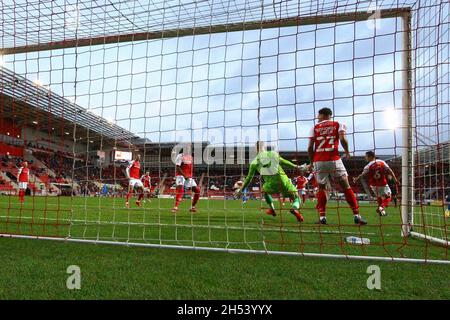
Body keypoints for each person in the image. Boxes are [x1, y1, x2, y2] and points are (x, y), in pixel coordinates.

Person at [307, 107, 366, 225]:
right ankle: (357, 216)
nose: (317, 117)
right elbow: (343, 139)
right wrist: (347, 151)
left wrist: (311, 162)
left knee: (322, 188)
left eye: (318, 115)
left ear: (324, 115)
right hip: (334, 159)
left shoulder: (314, 127)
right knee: (346, 186)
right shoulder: (338, 124)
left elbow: (309, 147)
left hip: (319, 161)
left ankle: (322, 217)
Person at [234, 141, 304, 222]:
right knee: (297, 199)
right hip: (284, 182)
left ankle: (272, 209)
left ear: (255, 149)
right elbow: (284, 162)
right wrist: (297, 166)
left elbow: (248, 179)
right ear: (264, 146)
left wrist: (240, 191)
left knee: (264, 191)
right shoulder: (273, 154)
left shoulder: (254, 162)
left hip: (271, 185)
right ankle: (294, 209)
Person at [354, 151, 399, 216]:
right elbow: (390, 171)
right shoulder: (382, 162)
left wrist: (356, 179)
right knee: (389, 195)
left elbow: (362, 175)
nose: (365, 158)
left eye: (366, 156)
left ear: (371, 156)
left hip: (373, 185)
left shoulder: (367, 166)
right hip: (383, 183)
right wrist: (395, 179)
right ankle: (381, 207)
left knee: (379, 197)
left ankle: (381, 212)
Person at [172, 144, 201, 213]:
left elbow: (190, 168)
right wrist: (184, 175)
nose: (188, 150)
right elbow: (178, 167)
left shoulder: (190, 157)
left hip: (189, 177)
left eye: (189, 149)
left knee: (197, 191)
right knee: (181, 190)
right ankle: (175, 207)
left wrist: (190, 176)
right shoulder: (180, 156)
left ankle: (193, 207)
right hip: (180, 176)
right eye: (186, 148)